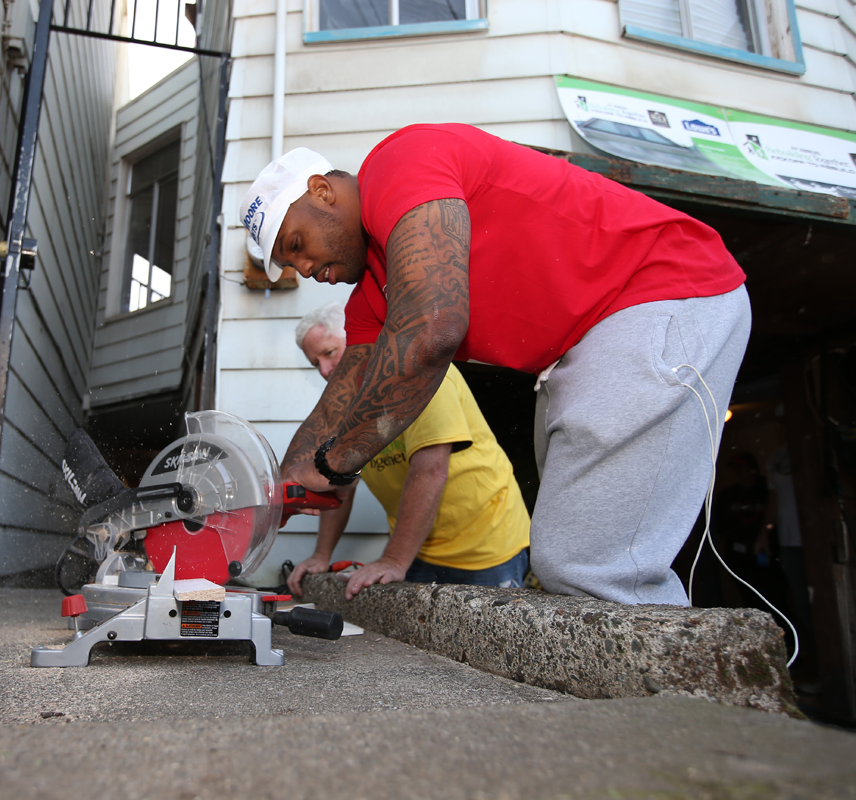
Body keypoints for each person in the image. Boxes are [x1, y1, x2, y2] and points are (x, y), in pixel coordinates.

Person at [240, 124, 751, 606]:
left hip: (662, 291)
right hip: (584, 341)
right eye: (291, 266)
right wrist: (281, 487)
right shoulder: (372, 296)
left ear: (321, 191)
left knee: (585, 565)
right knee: (567, 561)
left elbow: (432, 329)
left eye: (297, 245)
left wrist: (335, 464)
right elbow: (338, 402)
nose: (304, 270)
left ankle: (678, 696)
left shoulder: (398, 163)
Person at [288, 303, 531, 599]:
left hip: (488, 546)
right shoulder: (346, 407)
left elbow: (431, 470)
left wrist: (393, 560)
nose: (325, 371)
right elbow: (339, 481)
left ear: (360, 342)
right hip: (419, 550)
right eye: (315, 363)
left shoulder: (421, 373)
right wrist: (321, 554)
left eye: (329, 353)